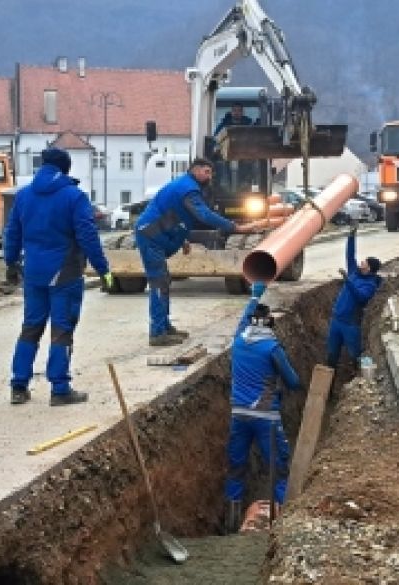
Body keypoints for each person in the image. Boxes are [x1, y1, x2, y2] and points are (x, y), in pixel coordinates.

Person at [3, 147, 114, 406]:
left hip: (33, 272)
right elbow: (88, 236)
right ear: (66, 168)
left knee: (31, 327)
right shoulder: (74, 197)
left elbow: (12, 233)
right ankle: (60, 389)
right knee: (62, 329)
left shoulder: (24, 196)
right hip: (64, 273)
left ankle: (19, 386)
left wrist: (10, 262)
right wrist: (103, 270)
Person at [135, 157, 256, 346]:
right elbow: (204, 214)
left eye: (211, 172)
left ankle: (164, 326)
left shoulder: (184, 185)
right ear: (195, 170)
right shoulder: (189, 189)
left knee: (163, 281)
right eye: (206, 172)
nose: (209, 176)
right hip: (151, 235)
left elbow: (172, 215)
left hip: (154, 232)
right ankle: (158, 333)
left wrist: (182, 239)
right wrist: (233, 227)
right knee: (159, 282)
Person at [224, 282, 301, 533]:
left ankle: (232, 521)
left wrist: (256, 293)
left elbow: (245, 317)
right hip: (266, 418)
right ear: (268, 323)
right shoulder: (272, 348)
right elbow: (293, 381)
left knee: (236, 466)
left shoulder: (238, 339)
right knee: (278, 467)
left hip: (238, 415)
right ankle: (278, 522)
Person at [326, 221, 382, 370]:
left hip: (351, 325)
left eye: (365, 262)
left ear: (369, 269)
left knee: (354, 356)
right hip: (336, 320)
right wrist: (351, 236)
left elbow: (361, 298)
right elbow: (350, 255)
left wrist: (347, 281)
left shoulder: (370, 285)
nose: (361, 262)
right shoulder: (354, 272)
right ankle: (329, 385)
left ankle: (356, 381)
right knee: (331, 356)